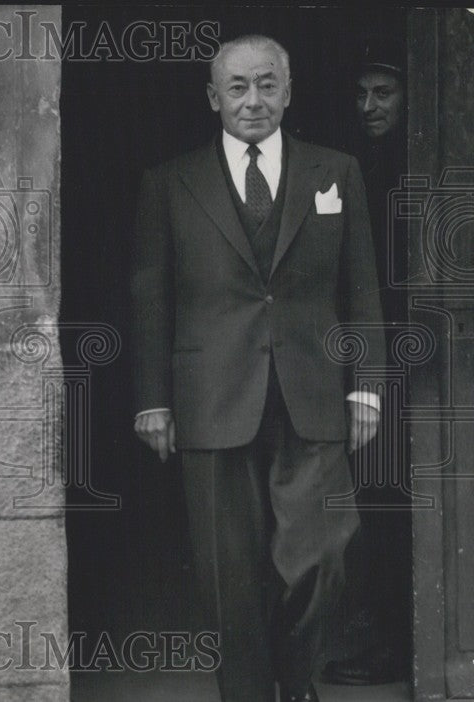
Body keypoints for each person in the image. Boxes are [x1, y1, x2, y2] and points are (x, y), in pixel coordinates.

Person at [131, 34, 385, 702]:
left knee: (326, 552)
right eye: (238, 87)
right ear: (214, 98)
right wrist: (151, 399)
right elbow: (151, 298)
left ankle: (296, 680)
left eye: (267, 84)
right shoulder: (169, 182)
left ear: (289, 90)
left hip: (314, 392)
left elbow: (360, 288)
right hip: (210, 396)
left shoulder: (337, 172)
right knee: (228, 575)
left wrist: (367, 388)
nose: (254, 101)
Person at [322, 33, 411, 687]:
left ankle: (405, 645)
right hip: (375, 358)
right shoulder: (353, 166)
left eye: (383, 93)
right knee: (377, 501)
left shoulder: (425, 163)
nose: (369, 105)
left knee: (400, 500)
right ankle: (388, 638)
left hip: (422, 357)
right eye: (361, 95)